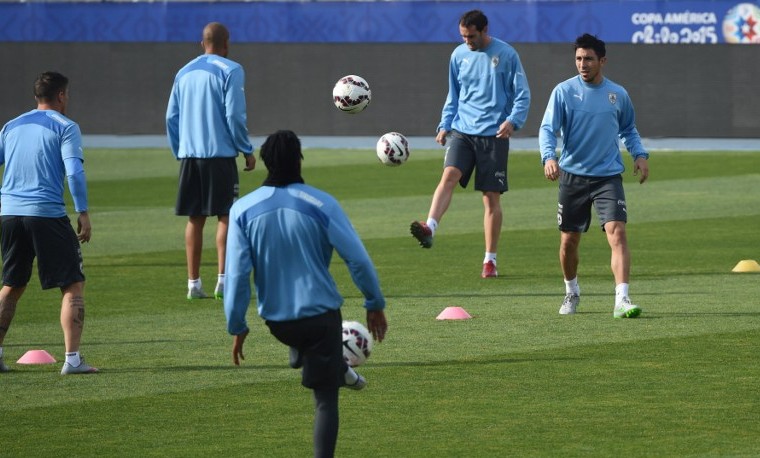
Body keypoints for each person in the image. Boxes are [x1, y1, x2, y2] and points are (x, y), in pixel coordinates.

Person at [224, 130, 388, 458]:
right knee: (326, 400)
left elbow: (238, 275)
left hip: (277, 322)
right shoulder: (322, 203)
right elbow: (357, 259)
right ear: (300, 159)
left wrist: (237, 325)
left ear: (266, 161)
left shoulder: (242, 210)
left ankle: (313, 358)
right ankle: (330, 369)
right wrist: (374, 303)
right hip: (321, 317)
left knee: (306, 345)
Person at [410, 9, 531, 279]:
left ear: (485, 30)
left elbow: (522, 94)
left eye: (472, 36)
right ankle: (429, 227)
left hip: (494, 136)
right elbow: (453, 94)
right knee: (449, 176)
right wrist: (444, 125)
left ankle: (490, 260)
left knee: (490, 199)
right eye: (463, 36)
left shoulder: (507, 54)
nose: (468, 41)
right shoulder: (458, 55)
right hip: (463, 131)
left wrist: (513, 121)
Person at [538, 33, 650, 318]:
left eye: (588, 59)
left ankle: (622, 299)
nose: (582, 64)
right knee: (568, 242)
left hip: (608, 178)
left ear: (602, 61)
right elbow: (547, 129)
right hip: (572, 177)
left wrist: (639, 155)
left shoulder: (618, 94)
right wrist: (549, 157)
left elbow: (629, 129)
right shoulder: (563, 91)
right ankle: (571, 292)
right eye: (578, 58)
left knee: (618, 233)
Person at [0, 71, 97, 375]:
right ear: (61, 96)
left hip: (10, 214)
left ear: (35, 97)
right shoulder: (66, 127)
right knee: (72, 284)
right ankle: (72, 359)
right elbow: (74, 172)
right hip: (46, 213)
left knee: (11, 284)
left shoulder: (10, 126)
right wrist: (82, 211)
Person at [166, 22, 256, 301]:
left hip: (190, 156)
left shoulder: (184, 72)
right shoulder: (231, 70)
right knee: (226, 216)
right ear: (226, 43)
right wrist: (246, 149)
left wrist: (181, 150)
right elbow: (234, 116)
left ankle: (193, 284)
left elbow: (171, 117)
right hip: (220, 156)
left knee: (195, 218)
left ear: (201, 42)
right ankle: (224, 281)